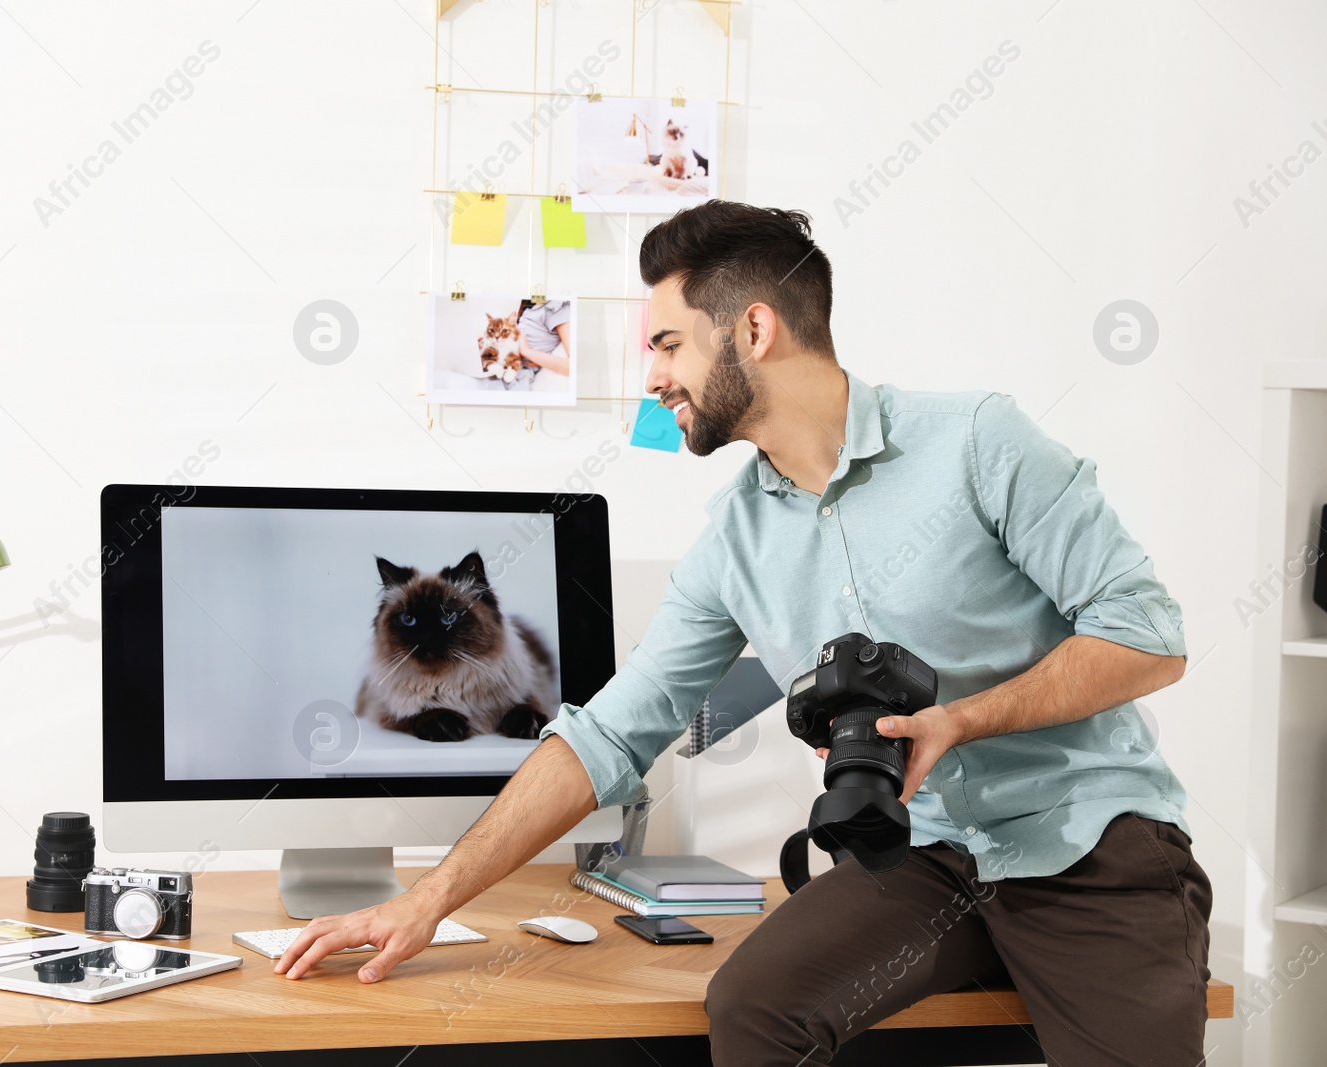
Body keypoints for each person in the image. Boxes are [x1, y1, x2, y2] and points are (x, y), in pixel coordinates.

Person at [275, 200, 1209, 1066]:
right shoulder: (735, 540)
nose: (652, 376)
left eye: (669, 343)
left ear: (753, 330)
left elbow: (1149, 634)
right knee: (753, 1006)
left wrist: (961, 721)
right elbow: (608, 733)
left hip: (1089, 843)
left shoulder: (976, 443)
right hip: (917, 855)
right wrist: (427, 900)